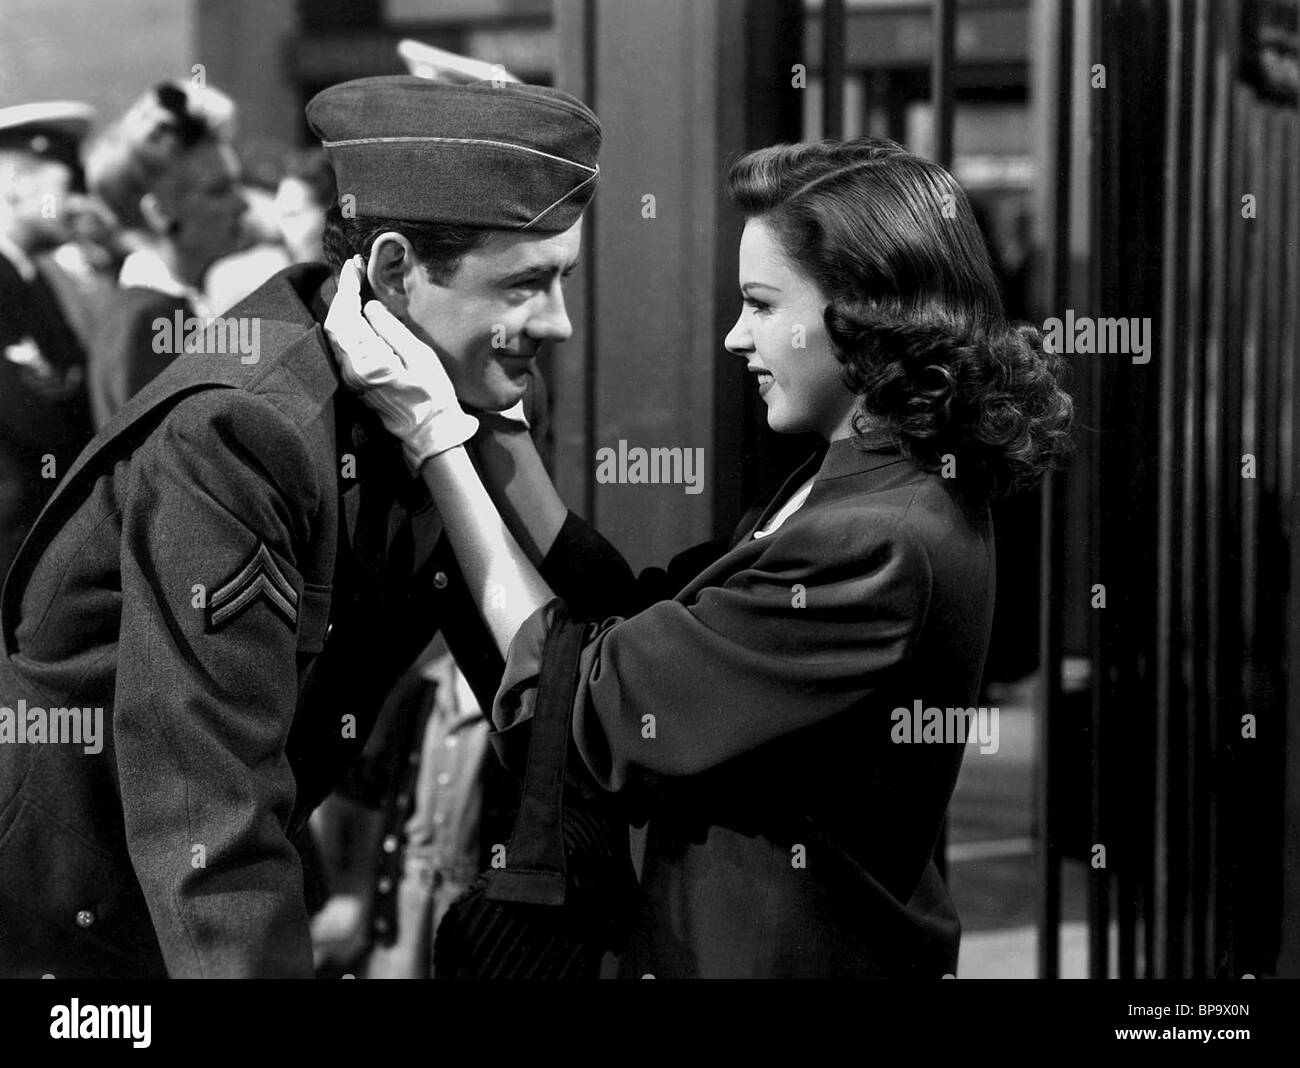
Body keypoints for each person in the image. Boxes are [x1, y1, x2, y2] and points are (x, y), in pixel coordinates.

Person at [322, 137, 1075, 978]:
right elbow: (646, 623)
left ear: (866, 310)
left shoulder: (877, 539)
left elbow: (598, 703)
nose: (733, 337)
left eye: (759, 304)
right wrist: (495, 425)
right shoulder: (857, 478)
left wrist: (435, 439)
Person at [0, 75, 628, 978]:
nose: (557, 322)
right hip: (80, 929)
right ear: (395, 271)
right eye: (526, 285)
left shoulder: (434, 391)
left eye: (561, 279)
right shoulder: (243, 431)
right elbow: (206, 807)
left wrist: (493, 447)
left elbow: (573, 671)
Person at [83, 81, 248, 426]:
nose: (242, 203)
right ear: (159, 212)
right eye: (219, 190)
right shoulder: (149, 317)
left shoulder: (169, 305)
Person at [0, 101, 97, 584]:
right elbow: (29, 417)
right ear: (16, 184)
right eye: (65, 186)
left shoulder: (34, 278)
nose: (78, 205)